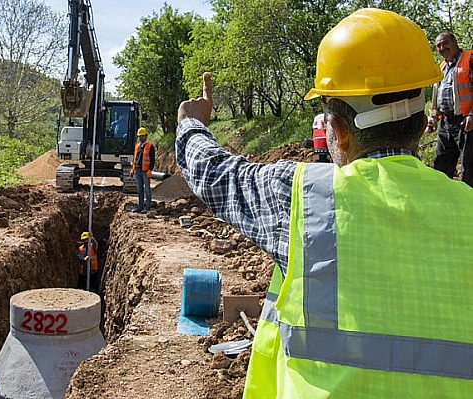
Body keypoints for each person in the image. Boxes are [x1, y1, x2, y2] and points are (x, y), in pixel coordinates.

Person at [176, 9, 473, 398]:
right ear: (422, 123)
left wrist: (189, 122)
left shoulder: (305, 198)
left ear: (335, 131)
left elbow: (215, 173)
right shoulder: (465, 207)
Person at [428, 31, 473, 186]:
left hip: (466, 121)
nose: (442, 48)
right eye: (438, 46)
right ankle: (443, 200)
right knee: (441, 164)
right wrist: (433, 118)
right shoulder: (442, 67)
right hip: (446, 122)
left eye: (445, 43)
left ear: (455, 43)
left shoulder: (469, 59)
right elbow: (438, 95)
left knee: (469, 167)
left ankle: (469, 203)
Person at [130, 127, 155, 213]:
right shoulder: (137, 146)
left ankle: (147, 206)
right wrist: (133, 169)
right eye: (140, 136)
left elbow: (152, 159)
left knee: (147, 189)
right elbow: (135, 159)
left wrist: (150, 170)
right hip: (137, 170)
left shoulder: (150, 146)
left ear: (146, 136)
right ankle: (140, 206)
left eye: (143, 136)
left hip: (145, 171)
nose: (141, 137)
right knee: (139, 189)